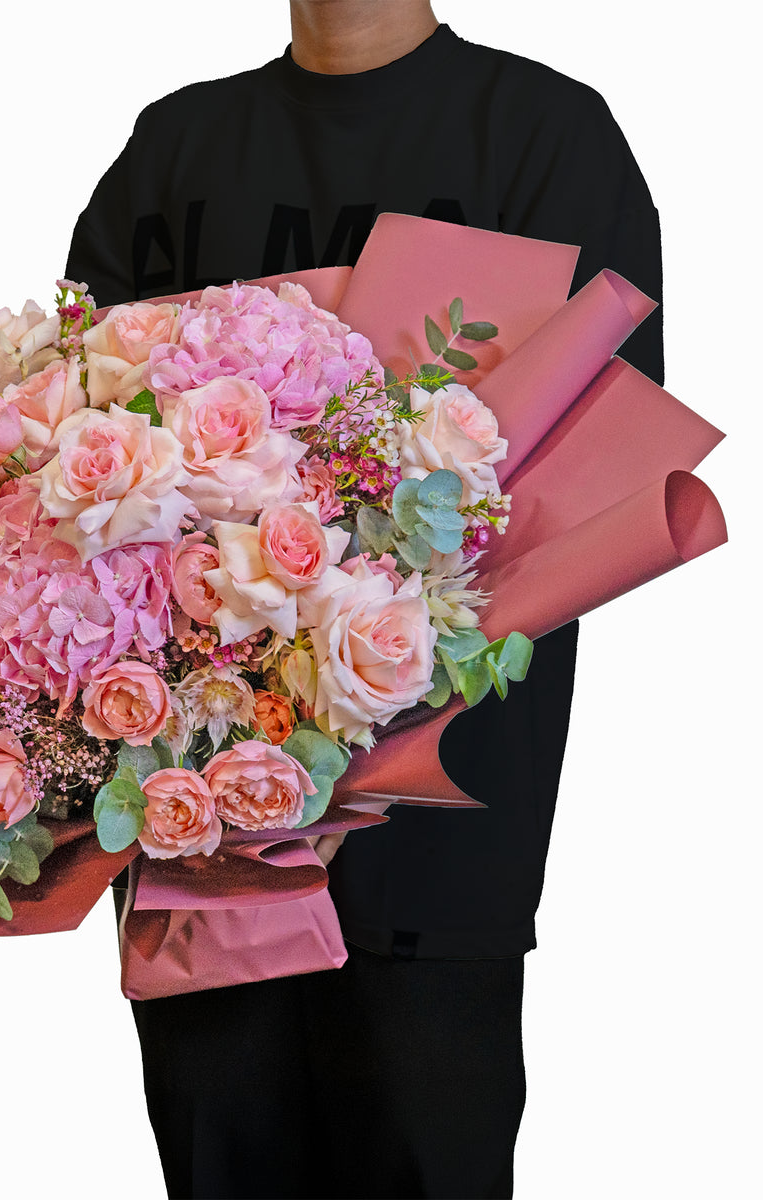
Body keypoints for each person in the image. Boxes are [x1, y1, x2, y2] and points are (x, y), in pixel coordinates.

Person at [64, 3, 663, 1196]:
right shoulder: (176, 150)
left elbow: (597, 469)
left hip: (438, 825)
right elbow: (71, 455)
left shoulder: (544, 135)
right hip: (202, 826)